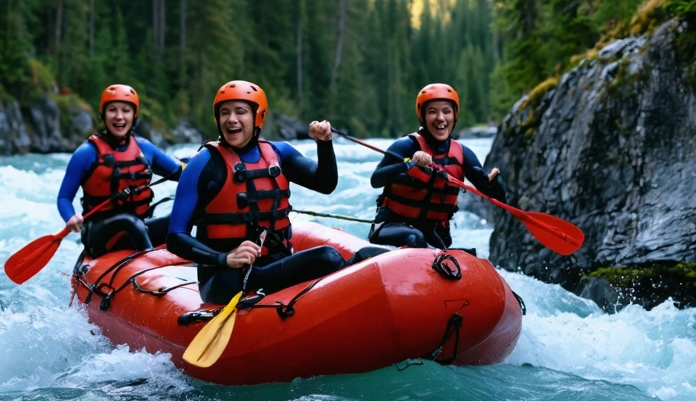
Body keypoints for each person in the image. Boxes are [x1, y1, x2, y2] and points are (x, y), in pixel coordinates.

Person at [166, 80, 381, 304]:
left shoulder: (279, 154)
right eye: (224, 113)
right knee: (326, 257)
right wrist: (224, 258)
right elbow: (175, 238)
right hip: (225, 278)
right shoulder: (203, 164)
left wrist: (324, 145)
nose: (231, 119)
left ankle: (381, 275)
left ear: (258, 116)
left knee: (362, 256)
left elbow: (325, 184)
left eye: (241, 112)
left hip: (272, 265)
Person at [369, 83, 506, 250]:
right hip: (391, 226)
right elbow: (376, 180)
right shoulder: (405, 146)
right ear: (423, 117)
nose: (440, 117)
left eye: (446, 111)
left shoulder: (463, 154)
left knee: (465, 254)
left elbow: (495, 196)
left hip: (431, 233)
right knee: (415, 238)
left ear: (454, 116)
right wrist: (410, 163)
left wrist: (494, 184)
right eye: (432, 111)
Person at [58, 84, 183, 257]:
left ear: (134, 115)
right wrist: (70, 217)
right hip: (100, 235)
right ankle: (151, 264)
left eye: (125, 110)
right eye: (112, 110)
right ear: (103, 115)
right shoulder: (86, 153)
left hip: (140, 227)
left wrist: (202, 163)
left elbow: (182, 173)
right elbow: (64, 197)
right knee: (129, 222)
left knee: (179, 210)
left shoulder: (145, 148)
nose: (119, 117)